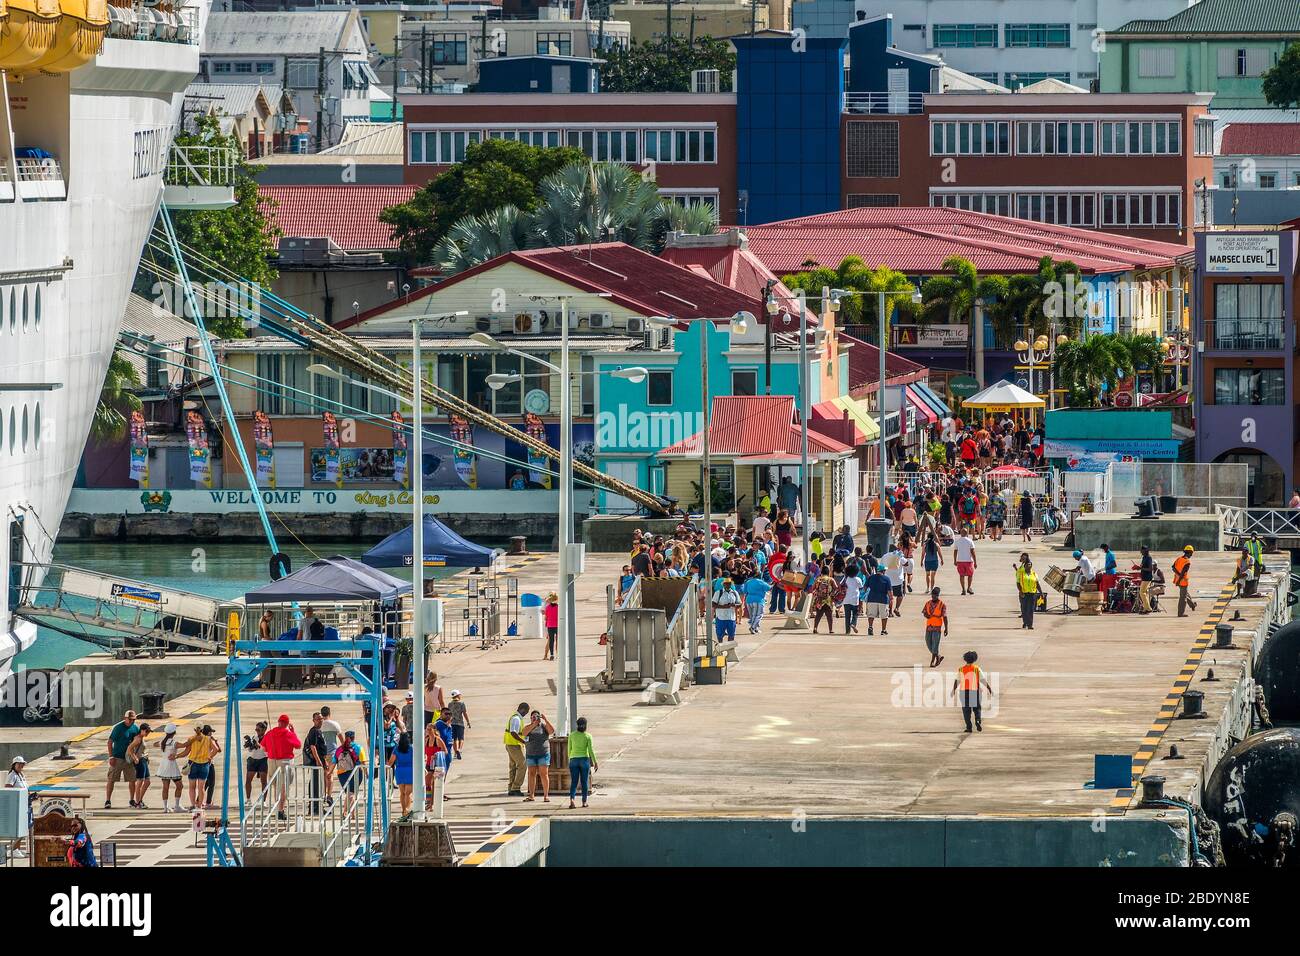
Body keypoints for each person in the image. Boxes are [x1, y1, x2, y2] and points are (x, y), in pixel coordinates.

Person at [261, 714, 301, 820]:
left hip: (271, 761)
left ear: (278, 722)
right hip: (285, 761)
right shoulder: (288, 733)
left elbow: (263, 747)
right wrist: (293, 732)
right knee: (284, 787)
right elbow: (298, 745)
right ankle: (281, 810)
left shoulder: (269, 733)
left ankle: (277, 807)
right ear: (287, 724)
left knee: (275, 786)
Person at [175, 724, 218, 812]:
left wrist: (176, 756)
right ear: (203, 730)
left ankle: (193, 805)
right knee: (201, 787)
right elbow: (216, 749)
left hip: (193, 764)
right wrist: (210, 757)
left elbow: (186, 752)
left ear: (195, 729)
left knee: (192, 787)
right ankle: (200, 806)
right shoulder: (208, 739)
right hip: (204, 764)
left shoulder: (191, 739)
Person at [952, 650, 995, 733]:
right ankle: (978, 721)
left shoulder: (961, 669)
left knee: (966, 710)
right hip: (975, 691)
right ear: (975, 659)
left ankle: (969, 727)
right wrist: (989, 688)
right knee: (977, 708)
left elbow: (957, 681)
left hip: (964, 692)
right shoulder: (976, 669)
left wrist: (953, 690)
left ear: (965, 659)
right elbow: (983, 680)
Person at [105, 709, 139, 810]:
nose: (132, 721)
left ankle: (132, 800)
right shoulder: (118, 728)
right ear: (125, 718)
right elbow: (110, 742)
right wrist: (111, 756)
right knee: (111, 779)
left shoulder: (135, 728)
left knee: (132, 780)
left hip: (129, 758)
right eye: (130, 719)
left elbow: (137, 742)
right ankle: (108, 800)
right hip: (117, 758)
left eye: (134, 719)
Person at [522, 709, 554, 803]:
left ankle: (546, 796)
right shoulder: (528, 727)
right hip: (531, 754)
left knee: (544, 774)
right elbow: (523, 733)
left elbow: (551, 731)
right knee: (531, 774)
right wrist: (533, 724)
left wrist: (546, 720)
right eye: (533, 717)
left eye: (536, 716)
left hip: (543, 754)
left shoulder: (543, 727)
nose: (534, 718)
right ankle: (531, 795)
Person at [567, 716, 598, 810]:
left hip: (573, 759)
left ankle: (572, 800)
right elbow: (591, 750)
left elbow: (569, 749)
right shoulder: (588, 736)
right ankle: (584, 802)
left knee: (574, 782)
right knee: (584, 782)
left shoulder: (572, 735)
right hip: (584, 760)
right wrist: (595, 762)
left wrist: (570, 759)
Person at [302, 712, 330, 814]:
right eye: (318, 719)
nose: (320, 720)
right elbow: (312, 747)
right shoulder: (313, 731)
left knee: (318, 784)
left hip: (320, 761)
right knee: (315, 784)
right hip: (315, 763)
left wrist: (324, 760)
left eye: (321, 718)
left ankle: (317, 806)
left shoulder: (319, 731)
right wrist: (318, 761)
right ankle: (314, 807)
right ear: (313, 720)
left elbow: (321, 748)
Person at [334, 731, 365, 815]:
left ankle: (350, 813)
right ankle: (348, 812)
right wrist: (367, 774)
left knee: (348, 793)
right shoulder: (358, 747)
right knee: (353, 793)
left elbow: (334, 762)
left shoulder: (339, 749)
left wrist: (329, 773)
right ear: (354, 737)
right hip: (355, 772)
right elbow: (363, 762)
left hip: (341, 774)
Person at [155, 724, 184, 813]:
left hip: (163, 766)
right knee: (180, 786)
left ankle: (165, 807)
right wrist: (193, 739)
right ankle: (177, 806)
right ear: (174, 732)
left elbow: (154, 744)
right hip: (172, 766)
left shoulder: (163, 742)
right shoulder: (174, 743)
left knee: (165, 787)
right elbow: (185, 745)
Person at [504, 702, 529, 796]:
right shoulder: (516, 718)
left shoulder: (516, 717)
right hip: (514, 745)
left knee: (513, 766)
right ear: (522, 709)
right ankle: (516, 787)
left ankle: (511, 788)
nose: (526, 713)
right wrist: (523, 741)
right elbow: (513, 732)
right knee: (523, 765)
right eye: (526, 711)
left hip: (511, 744)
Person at [5, 757, 28, 858]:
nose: (21, 766)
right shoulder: (12, 775)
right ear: (14, 765)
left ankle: (16, 849)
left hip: (23, 804)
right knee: (19, 828)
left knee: (23, 828)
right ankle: (13, 849)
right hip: (16, 805)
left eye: (22, 764)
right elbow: (8, 789)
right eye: (19, 764)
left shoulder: (21, 775)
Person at [126, 723, 152, 810]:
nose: (148, 733)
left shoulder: (141, 738)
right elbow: (129, 749)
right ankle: (137, 802)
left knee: (147, 781)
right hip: (139, 761)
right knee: (140, 782)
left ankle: (139, 800)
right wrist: (135, 758)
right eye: (147, 731)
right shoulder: (138, 739)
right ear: (142, 730)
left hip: (143, 760)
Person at [388, 731, 415, 815]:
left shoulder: (397, 748)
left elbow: (391, 761)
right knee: (408, 793)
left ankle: (403, 810)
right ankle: (407, 809)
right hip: (410, 770)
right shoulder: (412, 748)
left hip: (400, 770)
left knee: (402, 793)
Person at [319, 705, 342, 802]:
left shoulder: (320, 725)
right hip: (332, 753)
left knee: (324, 774)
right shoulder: (335, 724)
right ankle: (329, 795)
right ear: (329, 714)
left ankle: (323, 794)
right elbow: (342, 739)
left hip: (322, 753)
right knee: (330, 775)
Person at [243, 721, 269, 804]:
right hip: (253, 760)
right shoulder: (254, 737)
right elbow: (250, 750)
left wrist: (259, 746)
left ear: (264, 730)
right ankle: (248, 799)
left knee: (264, 781)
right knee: (248, 780)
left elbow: (267, 752)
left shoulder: (267, 738)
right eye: (256, 729)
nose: (257, 731)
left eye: (259, 730)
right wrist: (250, 745)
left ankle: (263, 801)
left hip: (263, 760)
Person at [863, 562, 892, 636]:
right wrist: (891, 598)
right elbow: (889, 591)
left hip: (871, 598)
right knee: (884, 616)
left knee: (871, 615)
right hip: (883, 600)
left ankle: (870, 627)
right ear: (883, 571)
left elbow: (865, 588)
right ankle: (883, 630)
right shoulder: (887, 579)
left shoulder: (871, 577)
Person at [921, 587, 947, 668]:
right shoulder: (928, 603)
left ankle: (932, 661)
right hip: (929, 626)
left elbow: (945, 617)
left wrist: (946, 628)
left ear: (938, 595)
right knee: (929, 643)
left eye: (935, 595)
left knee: (935, 645)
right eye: (932, 595)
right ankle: (938, 656)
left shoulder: (942, 604)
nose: (933, 597)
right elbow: (924, 612)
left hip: (937, 627)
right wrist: (926, 615)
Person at [1014, 554, 1039, 630]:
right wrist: (1020, 591)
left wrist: (1040, 592)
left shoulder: (1033, 573)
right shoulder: (1021, 569)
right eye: (1022, 558)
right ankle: (1025, 622)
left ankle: (1030, 624)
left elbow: (1037, 583)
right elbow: (1018, 582)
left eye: (1024, 558)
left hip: (1032, 593)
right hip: (1023, 592)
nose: (1022, 559)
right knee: (1024, 608)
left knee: (1030, 609)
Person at [1172, 545, 1198, 617]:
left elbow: (1173, 568)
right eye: (1191, 553)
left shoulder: (1179, 559)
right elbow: (1183, 574)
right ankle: (1181, 613)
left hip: (1177, 579)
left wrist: (1178, 576)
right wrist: (1179, 580)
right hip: (1182, 581)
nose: (1192, 555)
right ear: (1189, 553)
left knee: (1185, 593)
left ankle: (1192, 605)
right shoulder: (1187, 562)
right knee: (1183, 598)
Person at [713, 577, 741, 643]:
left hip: (731, 618)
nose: (728, 585)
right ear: (723, 584)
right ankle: (720, 650)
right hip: (721, 618)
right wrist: (723, 606)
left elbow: (739, 604)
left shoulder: (734, 593)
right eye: (726, 584)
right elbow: (713, 604)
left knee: (731, 636)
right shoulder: (718, 593)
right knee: (720, 636)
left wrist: (734, 605)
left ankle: (729, 650)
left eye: (729, 584)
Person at [953, 528, 978, 595]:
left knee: (961, 575)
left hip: (960, 561)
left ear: (961, 533)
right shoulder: (970, 541)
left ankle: (963, 589)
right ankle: (969, 588)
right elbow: (973, 552)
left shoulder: (957, 541)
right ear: (967, 533)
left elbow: (955, 551)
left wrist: (955, 560)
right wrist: (975, 562)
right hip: (968, 561)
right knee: (970, 575)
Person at [447, 690, 470, 760]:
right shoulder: (462, 703)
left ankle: (455, 752)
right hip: (460, 723)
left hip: (452, 723)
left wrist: (448, 722)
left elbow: (448, 714)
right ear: (458, 695)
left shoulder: (449, 704)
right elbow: (464, 713)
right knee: (461, 738)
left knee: (454, 739)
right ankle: (459, 749)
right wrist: (468, 721)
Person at [1134, 545, 1155, 614]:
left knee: (1142, 593)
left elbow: (1150, 569)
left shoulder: (1149, 558)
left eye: (1142, 551)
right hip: (1144, 577)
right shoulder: (1144, 557)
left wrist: (1140, 568)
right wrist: (1137, 567)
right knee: (1143, 593)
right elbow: (1142, 566)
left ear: (1145, 551)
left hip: (1147, 578)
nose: (1141, 552)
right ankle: (1146, 608)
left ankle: (1148, 609)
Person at [543, 592, 559, 661]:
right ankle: (558, 654)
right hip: (557, 625)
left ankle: (551, 654)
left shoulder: (547, 607)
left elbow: (546, 618)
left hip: (550, 625)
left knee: (551, 641)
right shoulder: (558, 607)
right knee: (558, 641)